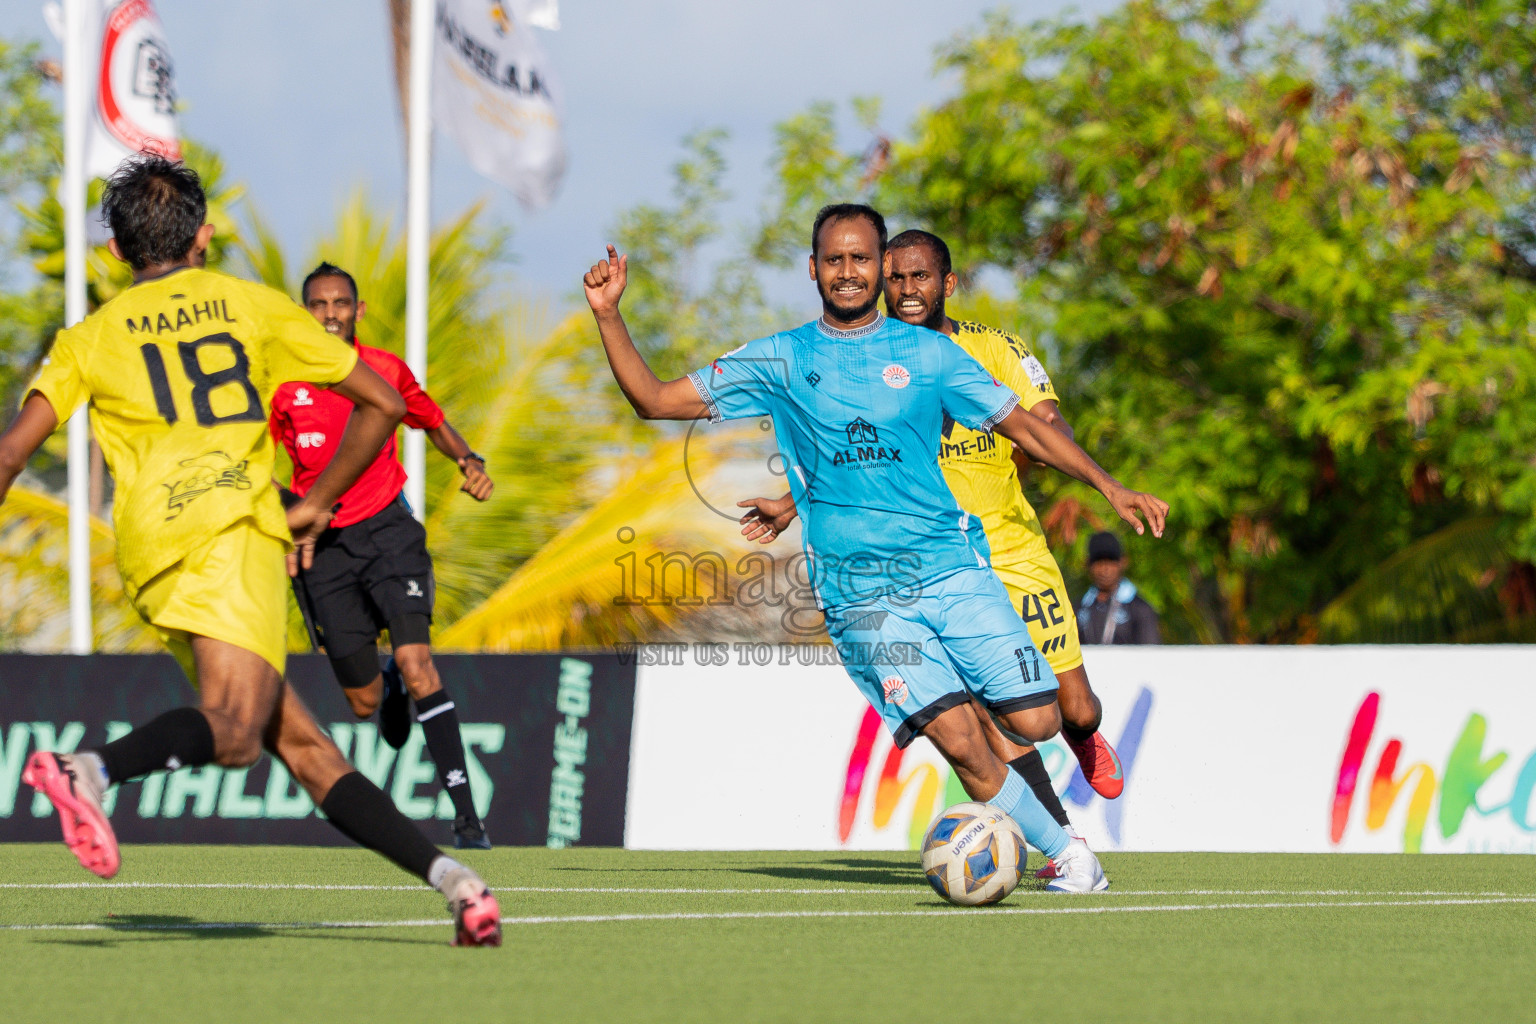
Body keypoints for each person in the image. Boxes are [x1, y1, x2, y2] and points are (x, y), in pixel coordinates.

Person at [583, 203, 1169, 892]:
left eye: (861, 259)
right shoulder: (781, 358)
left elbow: (1027, 429)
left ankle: (1014, 760)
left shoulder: (931, 355)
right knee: (962, 745)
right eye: (834, 260)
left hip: (954, 569)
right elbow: (654, 399)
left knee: (1041, 717)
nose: (848, 272)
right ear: (813, 269)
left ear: (880, 268)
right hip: (861, 595)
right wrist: (608, 314)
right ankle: (1071, 857)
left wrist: (1108, 485)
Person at [5, 156, 500, 946]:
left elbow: (8, 456)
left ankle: (456, 884)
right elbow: (381, 403)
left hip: (149, 558)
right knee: (235, 733)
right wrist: (315, 503)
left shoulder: (86, 339)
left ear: (115, 253)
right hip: (233, 536)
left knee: (300, 745)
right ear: (203, 236)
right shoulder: (250, 305)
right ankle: (86, 773)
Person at [738, 228, 1125, 877]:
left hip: (1012, 548)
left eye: (919, 277)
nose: (906, 290)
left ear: (947, 285)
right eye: (895, 279)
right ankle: (1061, 843)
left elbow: (1045, 418)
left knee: (1071, 709)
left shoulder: (995, 349)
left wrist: (1059, 449)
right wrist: (788, 502)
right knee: (991, 715)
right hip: (941, 564)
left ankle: (1084, 736)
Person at [270, 261, 494, 850]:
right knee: (363, 702)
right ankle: (388, 683)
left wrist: (469, 460)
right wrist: (284, 515)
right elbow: (248, 459)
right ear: (304, 313)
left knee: (421, 664)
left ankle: (468, 819)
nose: (330, 314)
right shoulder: (282, 382)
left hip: (389, 533)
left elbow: (431, 420)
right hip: (325, 548)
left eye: (340, 303)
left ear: (358, 310)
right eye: (317, 305)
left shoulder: (385, 370)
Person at [1079, 531, 1162, 645]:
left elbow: (1150, 654)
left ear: (1123, 562)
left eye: (1111, 561)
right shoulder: (1078, 608)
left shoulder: (1140, 609)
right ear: (1087, 564)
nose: (1105, 568)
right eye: (1098, 561)